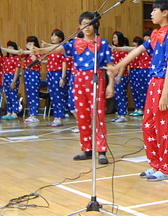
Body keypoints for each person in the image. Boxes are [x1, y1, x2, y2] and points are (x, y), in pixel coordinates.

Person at [108, 0, 168, 181]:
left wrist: (165, 93)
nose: (151, 13)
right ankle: (155, 164)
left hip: (165, 83)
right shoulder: (156, 34)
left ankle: (166, 167)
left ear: (165, 13)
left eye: (155, 10)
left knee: (164, 126)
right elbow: (137, 51)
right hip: (153, 82)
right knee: (148, 124)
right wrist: (119, 66)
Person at [31, 13, 114, 165]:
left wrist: (110, 84)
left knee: (98, 116)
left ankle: (101, 150)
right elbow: (57, 49)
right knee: (82, 116)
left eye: (89, 23)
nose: (87, 26)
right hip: (79, 80)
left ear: (95, 25)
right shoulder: (75, 43)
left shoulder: (102, 43)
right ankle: (87, 149)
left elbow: (109, 65)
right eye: (84, 23)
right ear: (79, 26)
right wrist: (39, 51)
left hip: (96, 78)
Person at [3, 36, 42, 123]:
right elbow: (17, 52)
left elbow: (36, 62)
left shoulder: (38, 52)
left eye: (32, 43)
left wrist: (32, 51)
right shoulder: (26, 54)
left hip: (34, 74)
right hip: (27, 73)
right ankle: (31, 113)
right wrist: (20, 51)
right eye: (28, 43)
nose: (29, 45)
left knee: (33, 94)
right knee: (28, 94)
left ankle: (34, 114)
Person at [43, 29, 68, 127]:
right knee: (53, 96)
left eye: (55, 36)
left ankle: (60, 117)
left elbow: (64, 63)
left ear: (60, 38)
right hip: (50, 74)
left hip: (58, 74)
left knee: (59, 95)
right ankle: (55, 117)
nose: (53, 38)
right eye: (52, 35)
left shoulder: (62, 49)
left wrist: (63, 77)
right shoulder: (51, 50)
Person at [109, 31, 130, 123]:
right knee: (117, 95)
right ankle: (119, 113)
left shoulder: (124, 49)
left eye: (115, 38)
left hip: (122, 75)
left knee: (121, 94)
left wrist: (120, 75)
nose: (113, 40)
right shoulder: (114, 49)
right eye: (113, 38)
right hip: (115, 74)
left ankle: (123, 114)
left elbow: (123, 64)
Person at [1, 41, 22, 120]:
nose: (9, 49)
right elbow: (2, 70)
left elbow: (17, 70)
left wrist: (14, 81)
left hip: (12, 76)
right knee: (7, 96)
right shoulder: (5, 58)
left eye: (11, 48)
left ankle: (14, 112)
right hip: (5, 76)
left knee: (13, 95)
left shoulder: (16, 58)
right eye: (8, 48)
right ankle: (9, 112)